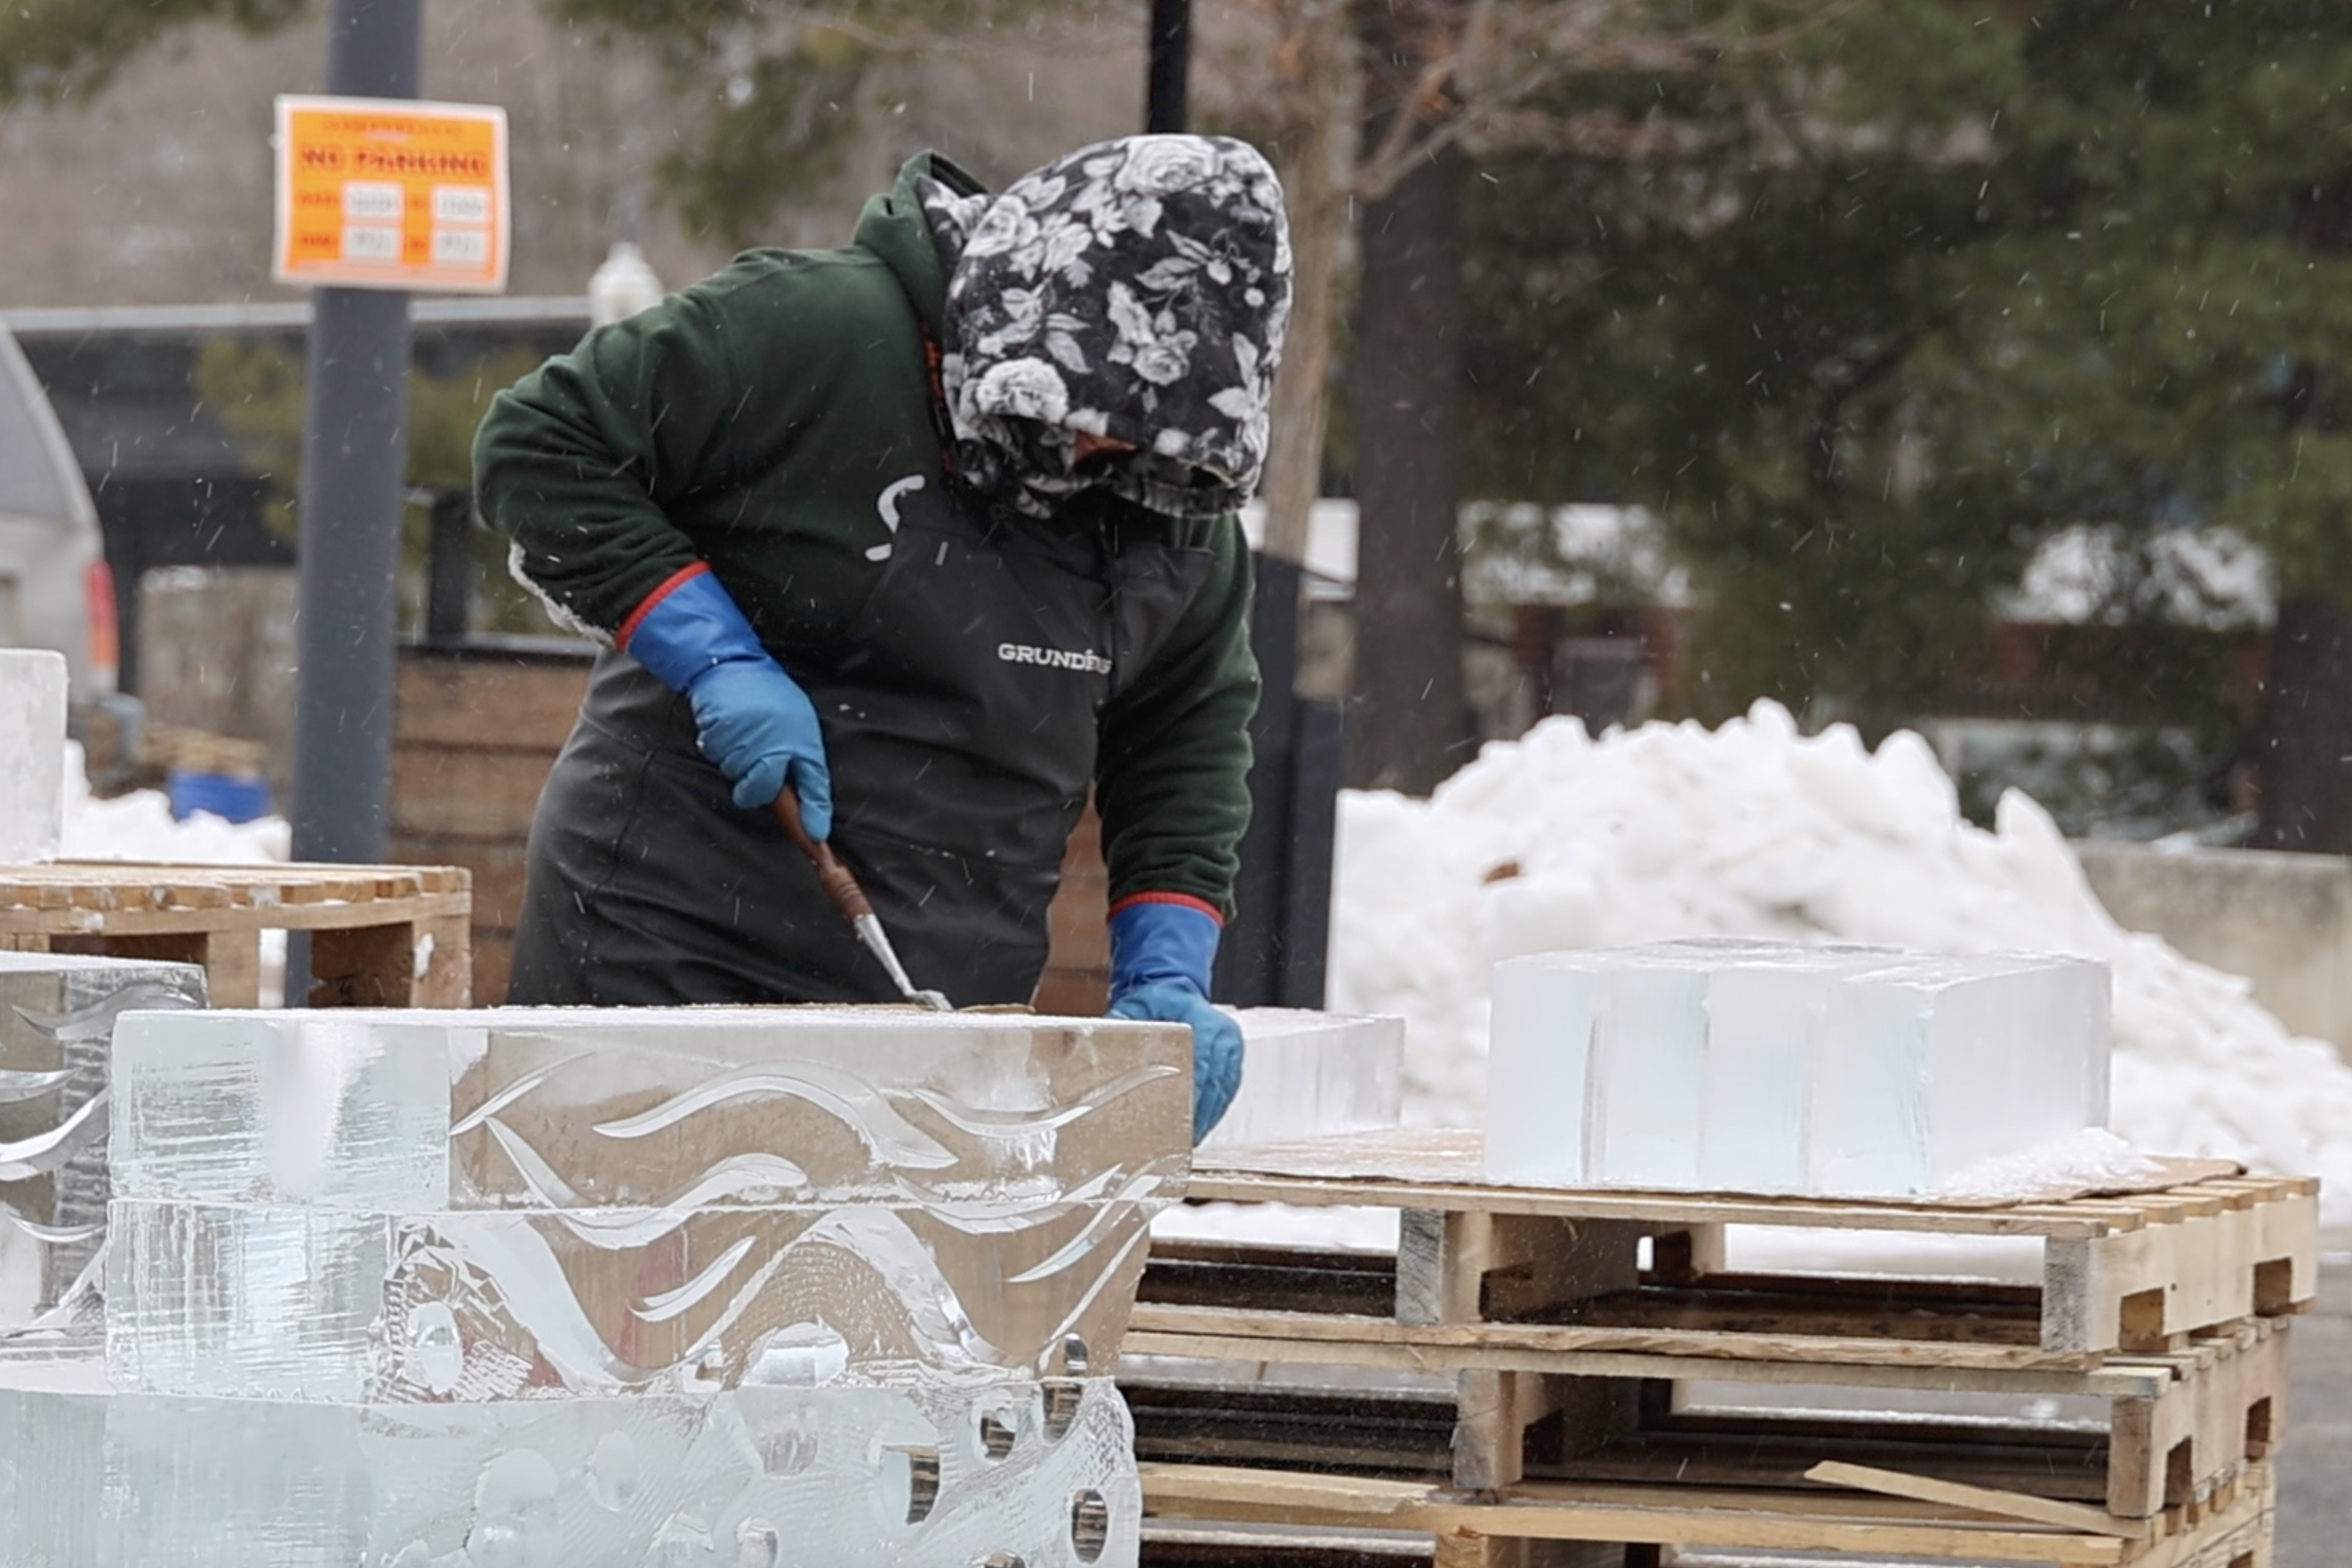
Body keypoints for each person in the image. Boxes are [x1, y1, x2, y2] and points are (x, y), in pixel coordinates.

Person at [471, 135, 1292, 1142]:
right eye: (1084, 415)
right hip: (666, 935)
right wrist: (716, 654)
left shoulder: (1175, 504)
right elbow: (543, 444)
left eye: (1134, 439)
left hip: (942, 1001)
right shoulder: (818, 334)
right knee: (631, 1270)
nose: (1098, 451)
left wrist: (1167, 974)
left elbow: (1185, 733)